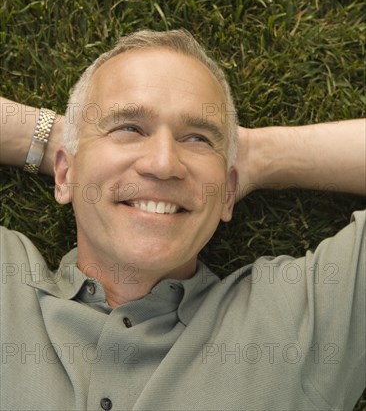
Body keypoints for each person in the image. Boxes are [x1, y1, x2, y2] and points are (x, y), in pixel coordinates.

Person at [0, 29, 365, 411]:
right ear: (62, 175)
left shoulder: (295, 326)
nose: (163, 163)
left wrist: (256, 155)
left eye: (198, 139)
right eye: (128, 128)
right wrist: (61, 143)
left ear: (227, 193)